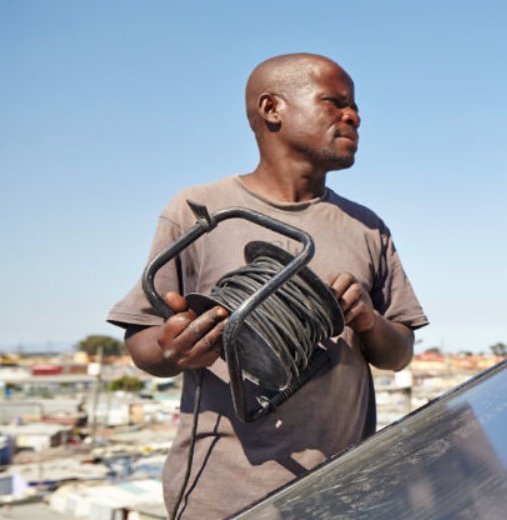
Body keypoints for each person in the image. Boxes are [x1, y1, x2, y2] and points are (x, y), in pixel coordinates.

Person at [107, 53, 428, 519]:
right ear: (272, 109)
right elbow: (141, 341)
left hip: (346, 493)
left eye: (354, 106)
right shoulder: (197, 209)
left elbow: (399, 354)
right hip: (225, 498)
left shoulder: (367, 228)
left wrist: (368, 320)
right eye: (334, 103)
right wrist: (171, 349)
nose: (354, 116)